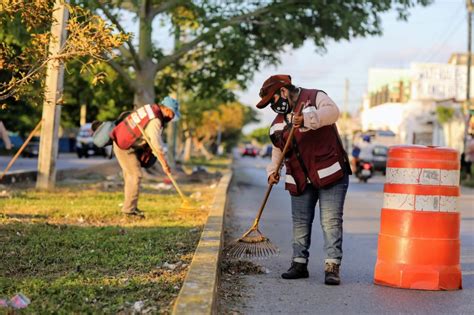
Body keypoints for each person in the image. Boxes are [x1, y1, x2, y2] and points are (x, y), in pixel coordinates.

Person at [256, 75, 351, 285]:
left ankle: (332, 266)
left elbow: (333, 113)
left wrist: (307, 119)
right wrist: (273, 170)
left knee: (330, 221)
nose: (273, 107)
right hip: (299, 178)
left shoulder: (315, 97)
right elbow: (278, 150)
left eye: (273, 101)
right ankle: (299, 264)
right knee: (300, 222)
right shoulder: (277, 124)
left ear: (283, 92)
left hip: (331, 173)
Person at [109, 97, 180, 217]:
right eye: (173, 114)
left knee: (131, 176)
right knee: (135, 175)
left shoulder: (151, 109)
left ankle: (130, 207)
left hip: (128, 144)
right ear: (167, 110)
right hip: (125, 147)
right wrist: (164, 164)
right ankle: (129, 211)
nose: (172, 117)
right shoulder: (155, 120)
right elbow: (156, 145)